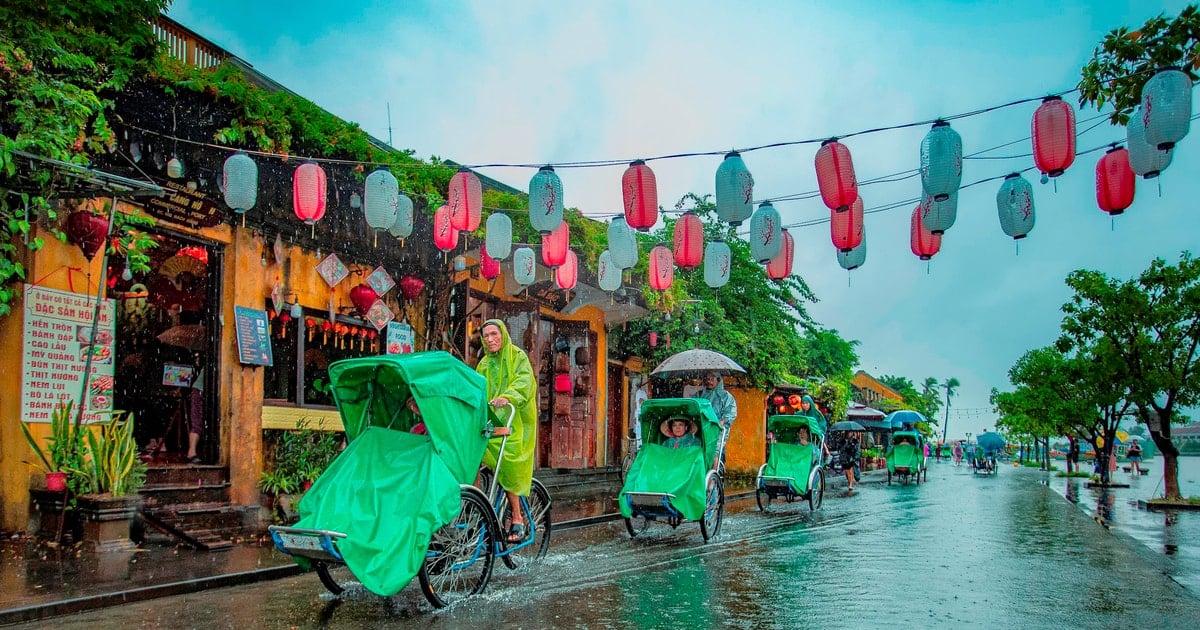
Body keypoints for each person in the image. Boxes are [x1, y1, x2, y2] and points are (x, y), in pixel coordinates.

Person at [475, 319, 537, 543]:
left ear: (503, 334)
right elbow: (477, 388)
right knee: (471, 457)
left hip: (515, 421)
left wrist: (507, 397)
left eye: (494, 334)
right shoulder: (483, 364)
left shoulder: (517, 356)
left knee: (508, 464)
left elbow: (524, 382)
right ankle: (479, 506)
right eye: (486, 336)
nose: (490, 339)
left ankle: (518, 518)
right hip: (491, 422)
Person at [695, 371, 737, 467]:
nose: (709, 381)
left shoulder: (726, 396)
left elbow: (731, 412)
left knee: (716, 450)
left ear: (718, 380)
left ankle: (715, 476)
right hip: (702, 428)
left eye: (712, 379)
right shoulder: (700, 395)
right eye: (707, 379)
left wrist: (721, 422)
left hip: (717, 428)